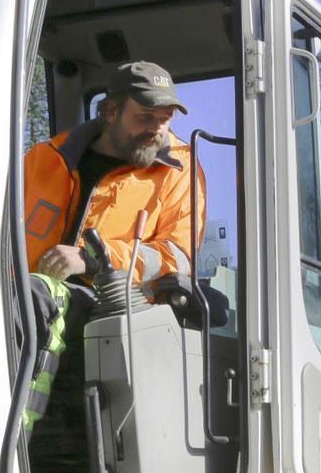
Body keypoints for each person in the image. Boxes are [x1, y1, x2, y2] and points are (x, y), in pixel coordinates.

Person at [22, 60, 203, 431]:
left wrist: (93, 261)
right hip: (22, 294)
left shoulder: (180, 171)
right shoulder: (44, 159)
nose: (156, 129)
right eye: (145, 116)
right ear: (110, 112)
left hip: (113, 304)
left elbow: (178, 256)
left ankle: (5, 450)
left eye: (164, 118)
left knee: (35, 296)